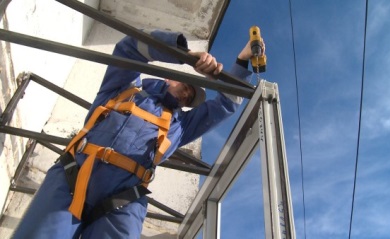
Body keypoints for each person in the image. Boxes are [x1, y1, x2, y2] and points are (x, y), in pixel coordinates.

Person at [12, 28, 262, 238]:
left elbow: (226, 104)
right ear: (168, 79)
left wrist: (242, 61)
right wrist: (185, 56)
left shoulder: (181, 126)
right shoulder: (121, 88)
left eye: (190, 97)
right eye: (186, 86)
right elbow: (129, 48)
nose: (187, 94)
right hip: (71, 177)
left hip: (123, 201)